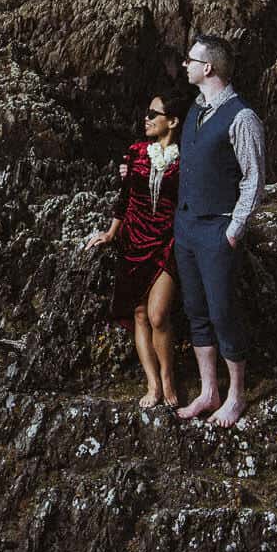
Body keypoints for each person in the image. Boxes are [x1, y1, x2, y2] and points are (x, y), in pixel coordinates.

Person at [172, 33, 265, 427]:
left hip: (217, 231)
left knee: (223, 312)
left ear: (207, 68)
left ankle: (235, 396)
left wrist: (234, 229)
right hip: (187, 227)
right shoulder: (195, 110)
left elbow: (254, 178)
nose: (184, 66)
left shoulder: (242, 117)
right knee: (196, 311)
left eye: (190, 60)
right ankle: (209, 391)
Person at [83, 96, 183, 407]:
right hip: (133, 239)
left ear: (173, 121)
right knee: (139, 313)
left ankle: (168, 377)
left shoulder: (186, 158)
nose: (147, 117)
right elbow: (124, 197)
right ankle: (152, 384)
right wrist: (111, 232)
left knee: (158, 314)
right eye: (146, 111)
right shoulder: (136, 152)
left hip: (167, 241)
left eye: (154, 113)